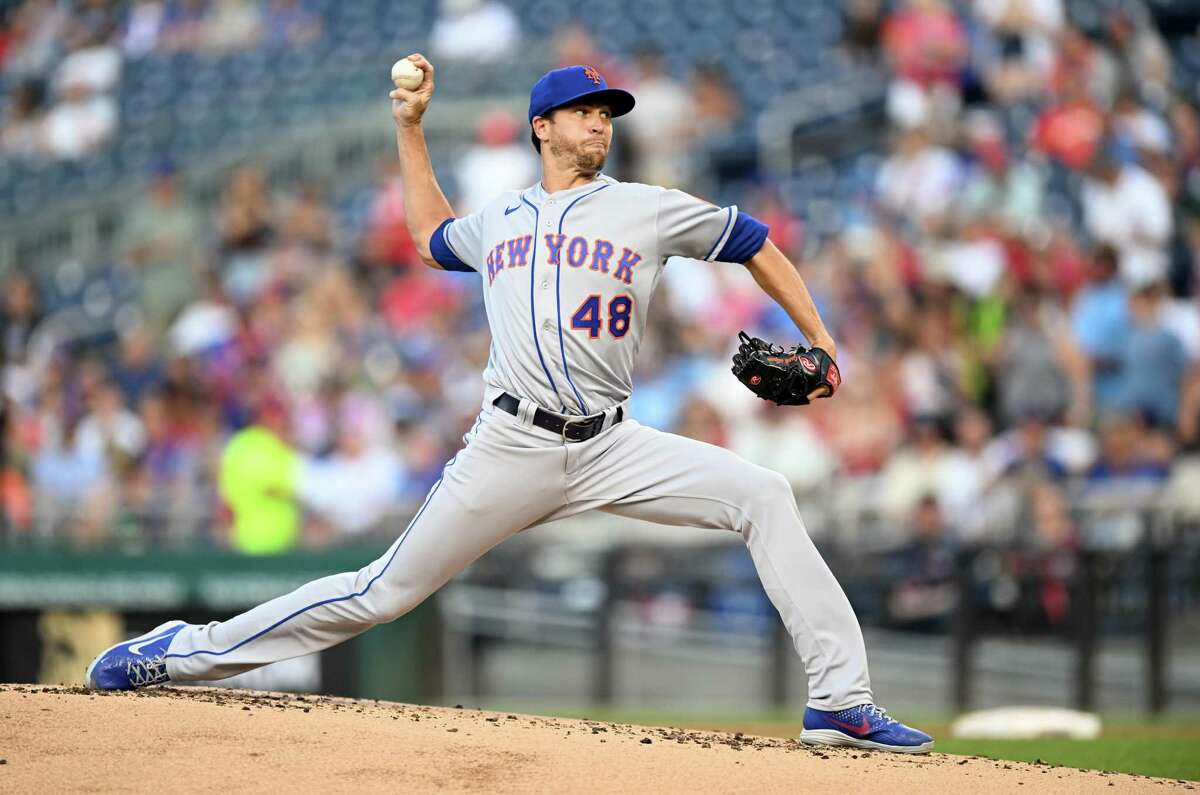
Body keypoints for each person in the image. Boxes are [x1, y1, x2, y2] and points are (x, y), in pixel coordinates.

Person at [85, 56, 934, 754]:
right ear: (543, 127)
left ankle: (840, 700)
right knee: (379, 592)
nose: (601, 124)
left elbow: (755, 243)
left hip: (613, 442)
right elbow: (427, 236)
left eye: (608, 113)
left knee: (765, 494)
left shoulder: (645, 207)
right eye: (584, 112)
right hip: (510, 445)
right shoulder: (501, 218)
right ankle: (180, 652)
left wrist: (821, 339)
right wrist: (409, 129)